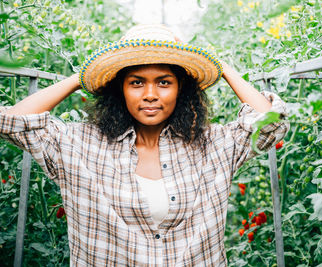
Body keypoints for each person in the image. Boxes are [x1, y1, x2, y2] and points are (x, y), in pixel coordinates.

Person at [0, 24, 288, 266]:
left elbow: (271, 123)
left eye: (164, 82)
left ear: (181, 90)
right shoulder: (81, 146)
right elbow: (10, 122)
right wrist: (84, 76)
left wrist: (219, 66)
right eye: (136, 83)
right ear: (118, 89)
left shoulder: (212, 146)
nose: (150, 94)